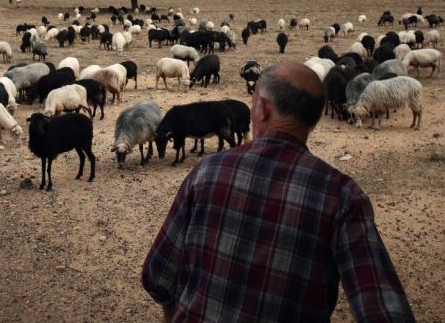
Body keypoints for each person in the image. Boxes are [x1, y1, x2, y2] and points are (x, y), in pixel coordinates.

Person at [142, 62, 414, 322]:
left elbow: (158, 277)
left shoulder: (206, 172)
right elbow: (384, 308)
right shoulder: (342, 196)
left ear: (261, 109)